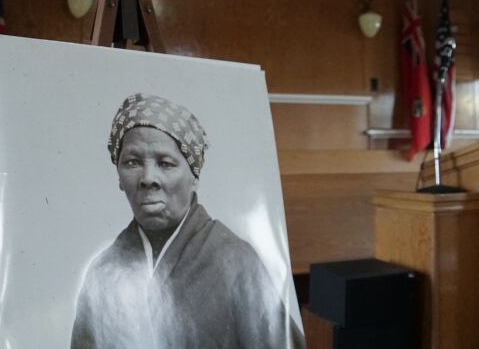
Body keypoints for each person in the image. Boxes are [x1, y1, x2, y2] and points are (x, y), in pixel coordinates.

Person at [70, 93, 305, 349]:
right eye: (132, 162)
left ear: (194, 176)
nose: (148, 178)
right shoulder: (102, 272)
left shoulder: (236, 261)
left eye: (166, 163)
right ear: (119, 176)